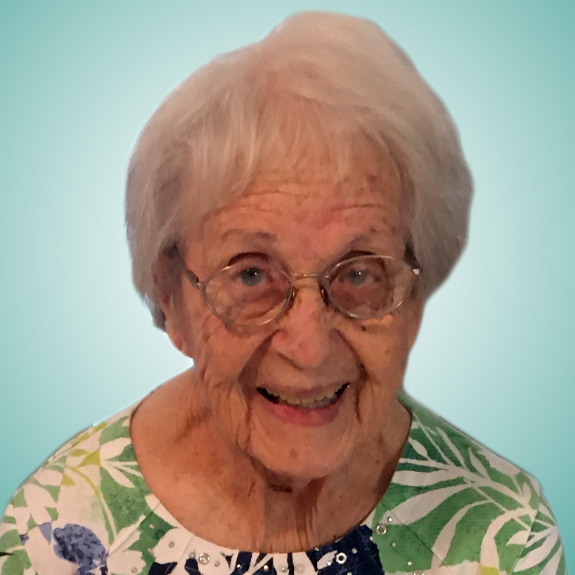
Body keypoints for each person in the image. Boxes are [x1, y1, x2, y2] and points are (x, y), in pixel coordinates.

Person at [0, 11, 566, 575]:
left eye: (359, 274)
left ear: (413, 298)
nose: (309, 348)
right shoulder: (55, 535)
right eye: (251, 275)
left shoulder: (501, 536)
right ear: (172, 298)